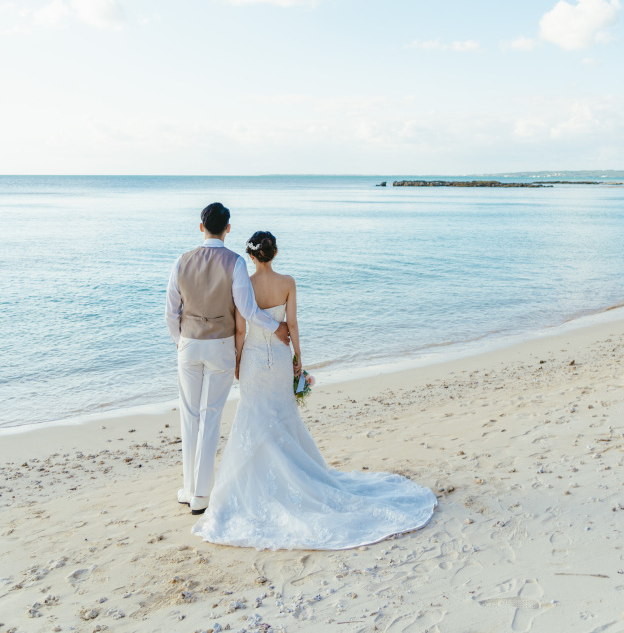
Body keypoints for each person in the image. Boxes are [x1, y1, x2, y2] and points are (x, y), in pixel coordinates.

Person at [193, 230, 436, 550]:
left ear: (250, 257)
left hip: (253, 359)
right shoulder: (288, 283)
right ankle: (293, 475)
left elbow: (241, 329)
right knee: (283, 415)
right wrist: (298, 359)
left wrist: (237, 360)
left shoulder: (244, 285)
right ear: (274, 254)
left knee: (252, 416)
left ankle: (257, 482)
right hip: (280, 358)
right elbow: (292, 325)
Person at [164, 202, 291, 515]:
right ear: (228, 229)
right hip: (220, 347)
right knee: (210, 417)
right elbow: (247, 310)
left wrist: (180, 342)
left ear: (201, 227)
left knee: (189, 416)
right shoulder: (235, 262)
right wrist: (276, 326)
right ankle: (201, 495)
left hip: (189, 345)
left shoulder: (181, 261)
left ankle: (189, 489)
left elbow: (171, 312)